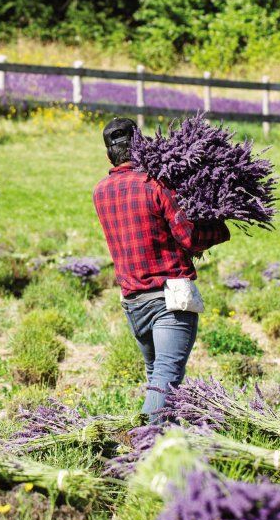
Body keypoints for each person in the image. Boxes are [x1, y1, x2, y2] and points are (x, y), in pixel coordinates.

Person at [93, 117, 230, 422]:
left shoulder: (100, 192)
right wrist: (220, 225)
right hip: (169, 299)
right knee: (166, 379)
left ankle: (164, 446)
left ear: (108, 155)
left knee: (157, 375)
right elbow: (189, 238)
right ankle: (143, 441)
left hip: (133, 303)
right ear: (143, 147)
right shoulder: (155, 185)